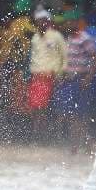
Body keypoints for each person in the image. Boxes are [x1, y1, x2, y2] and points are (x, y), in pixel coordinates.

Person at [50, 11, 95, 152]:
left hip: (82, 80)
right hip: (71, 80)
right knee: (71, 114)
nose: (68, 24)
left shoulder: (84, 38)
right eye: (67, 23)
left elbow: (95, 57)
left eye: (71, 22)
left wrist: (88, 78)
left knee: (81, 114)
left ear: (76, 23)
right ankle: (77, 144)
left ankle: (83, 144)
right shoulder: (70, 38)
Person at [27, 9, 66, 137]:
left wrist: (60, 74)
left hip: (51, 76)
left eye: (44, 20)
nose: (41, 23)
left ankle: (45, 134)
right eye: (39, 21)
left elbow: (64, 56)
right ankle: (36, 133)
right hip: (36, 76)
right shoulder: (35, 37)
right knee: (34, 107)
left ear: (48, 21)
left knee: (45, 107)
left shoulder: (56, 36)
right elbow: (33, 57)